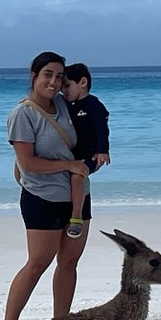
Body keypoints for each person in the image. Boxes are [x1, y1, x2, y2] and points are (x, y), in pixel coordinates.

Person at [0, 52, 92, 320]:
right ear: (34, 76)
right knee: (38, 262)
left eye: (59, 76)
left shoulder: (65, 104)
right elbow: (29, 163)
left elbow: (90, 117)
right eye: (47, 74)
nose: (54, 81)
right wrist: (69, 165)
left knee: (69, 263)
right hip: (42, 197)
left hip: (77, 196)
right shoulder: (22, 115)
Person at [62, 63, 110, 238]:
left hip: (90, 155)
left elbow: (102, 128)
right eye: (62, 88)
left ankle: (76, 217)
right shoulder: (67, 105)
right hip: (72, 156)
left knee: (77, 177)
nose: (64, 91)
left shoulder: (92, 104)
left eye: (67, 86)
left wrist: (103, 150)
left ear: (82, 82)